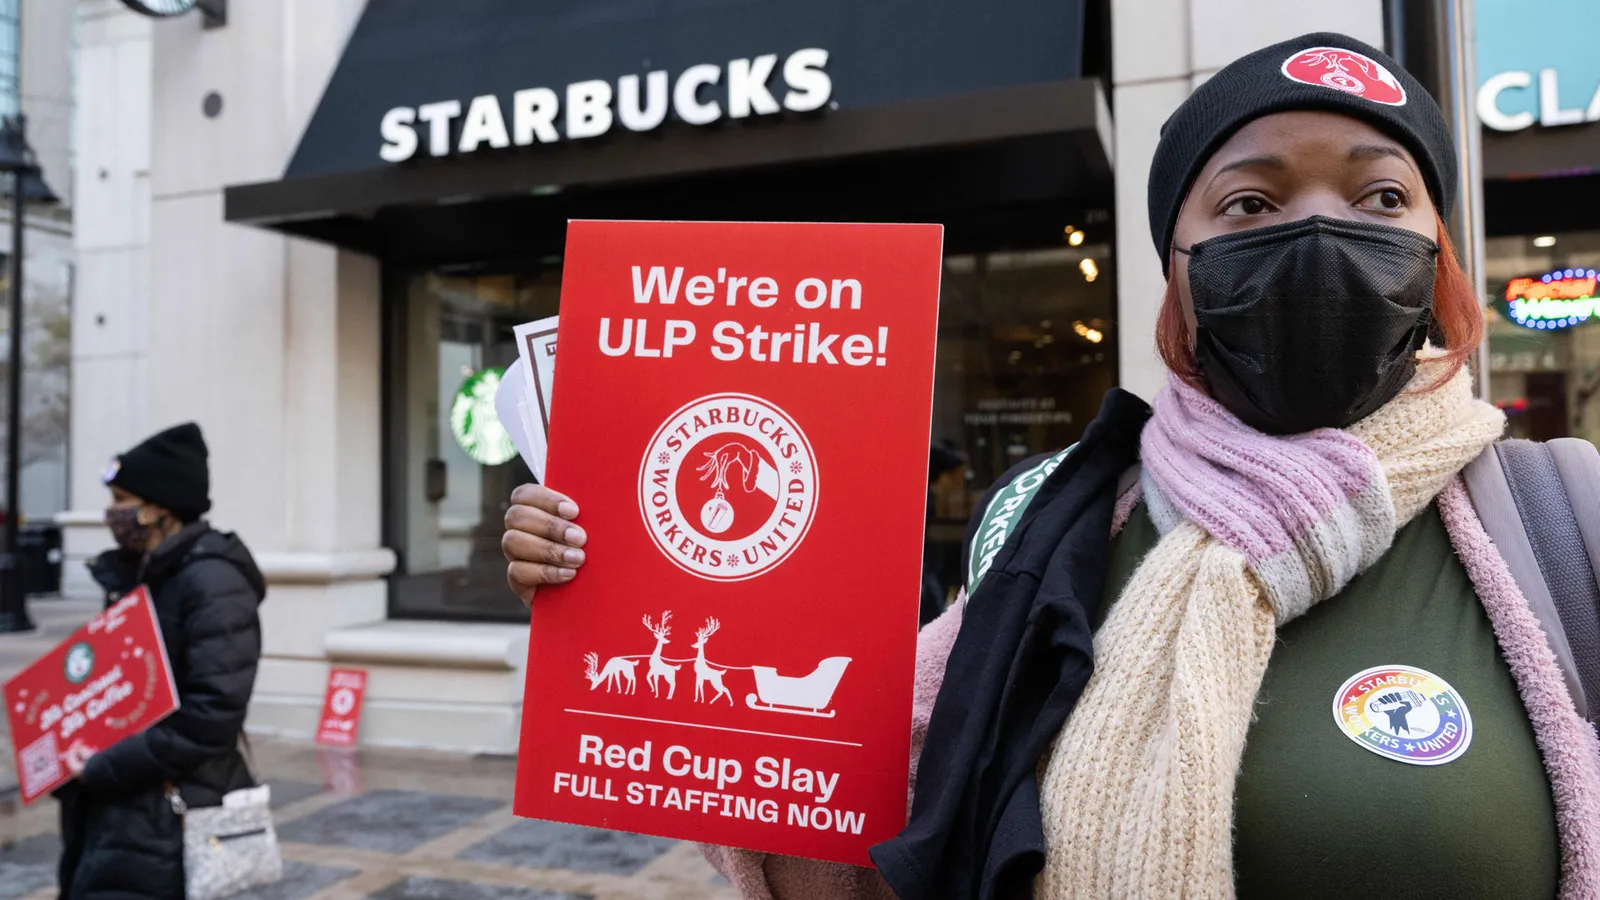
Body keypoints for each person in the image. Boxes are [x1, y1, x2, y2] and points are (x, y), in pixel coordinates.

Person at [502, 33, 1600, 899]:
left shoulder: (1566, 520)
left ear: (1436, 254)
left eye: (1378, 199)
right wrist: (635, 580)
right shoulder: (1056, 528)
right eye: (1251, 204)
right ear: (1179, 273)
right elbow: (861, 840)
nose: (1318, 233)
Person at [55, 423, 267, 899]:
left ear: (160, 506)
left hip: (172, 810)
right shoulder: (140, 576)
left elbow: (211, 715)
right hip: (126, 811)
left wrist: (108, 766)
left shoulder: (213, 583)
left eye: (122, 498)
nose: (113, 513)